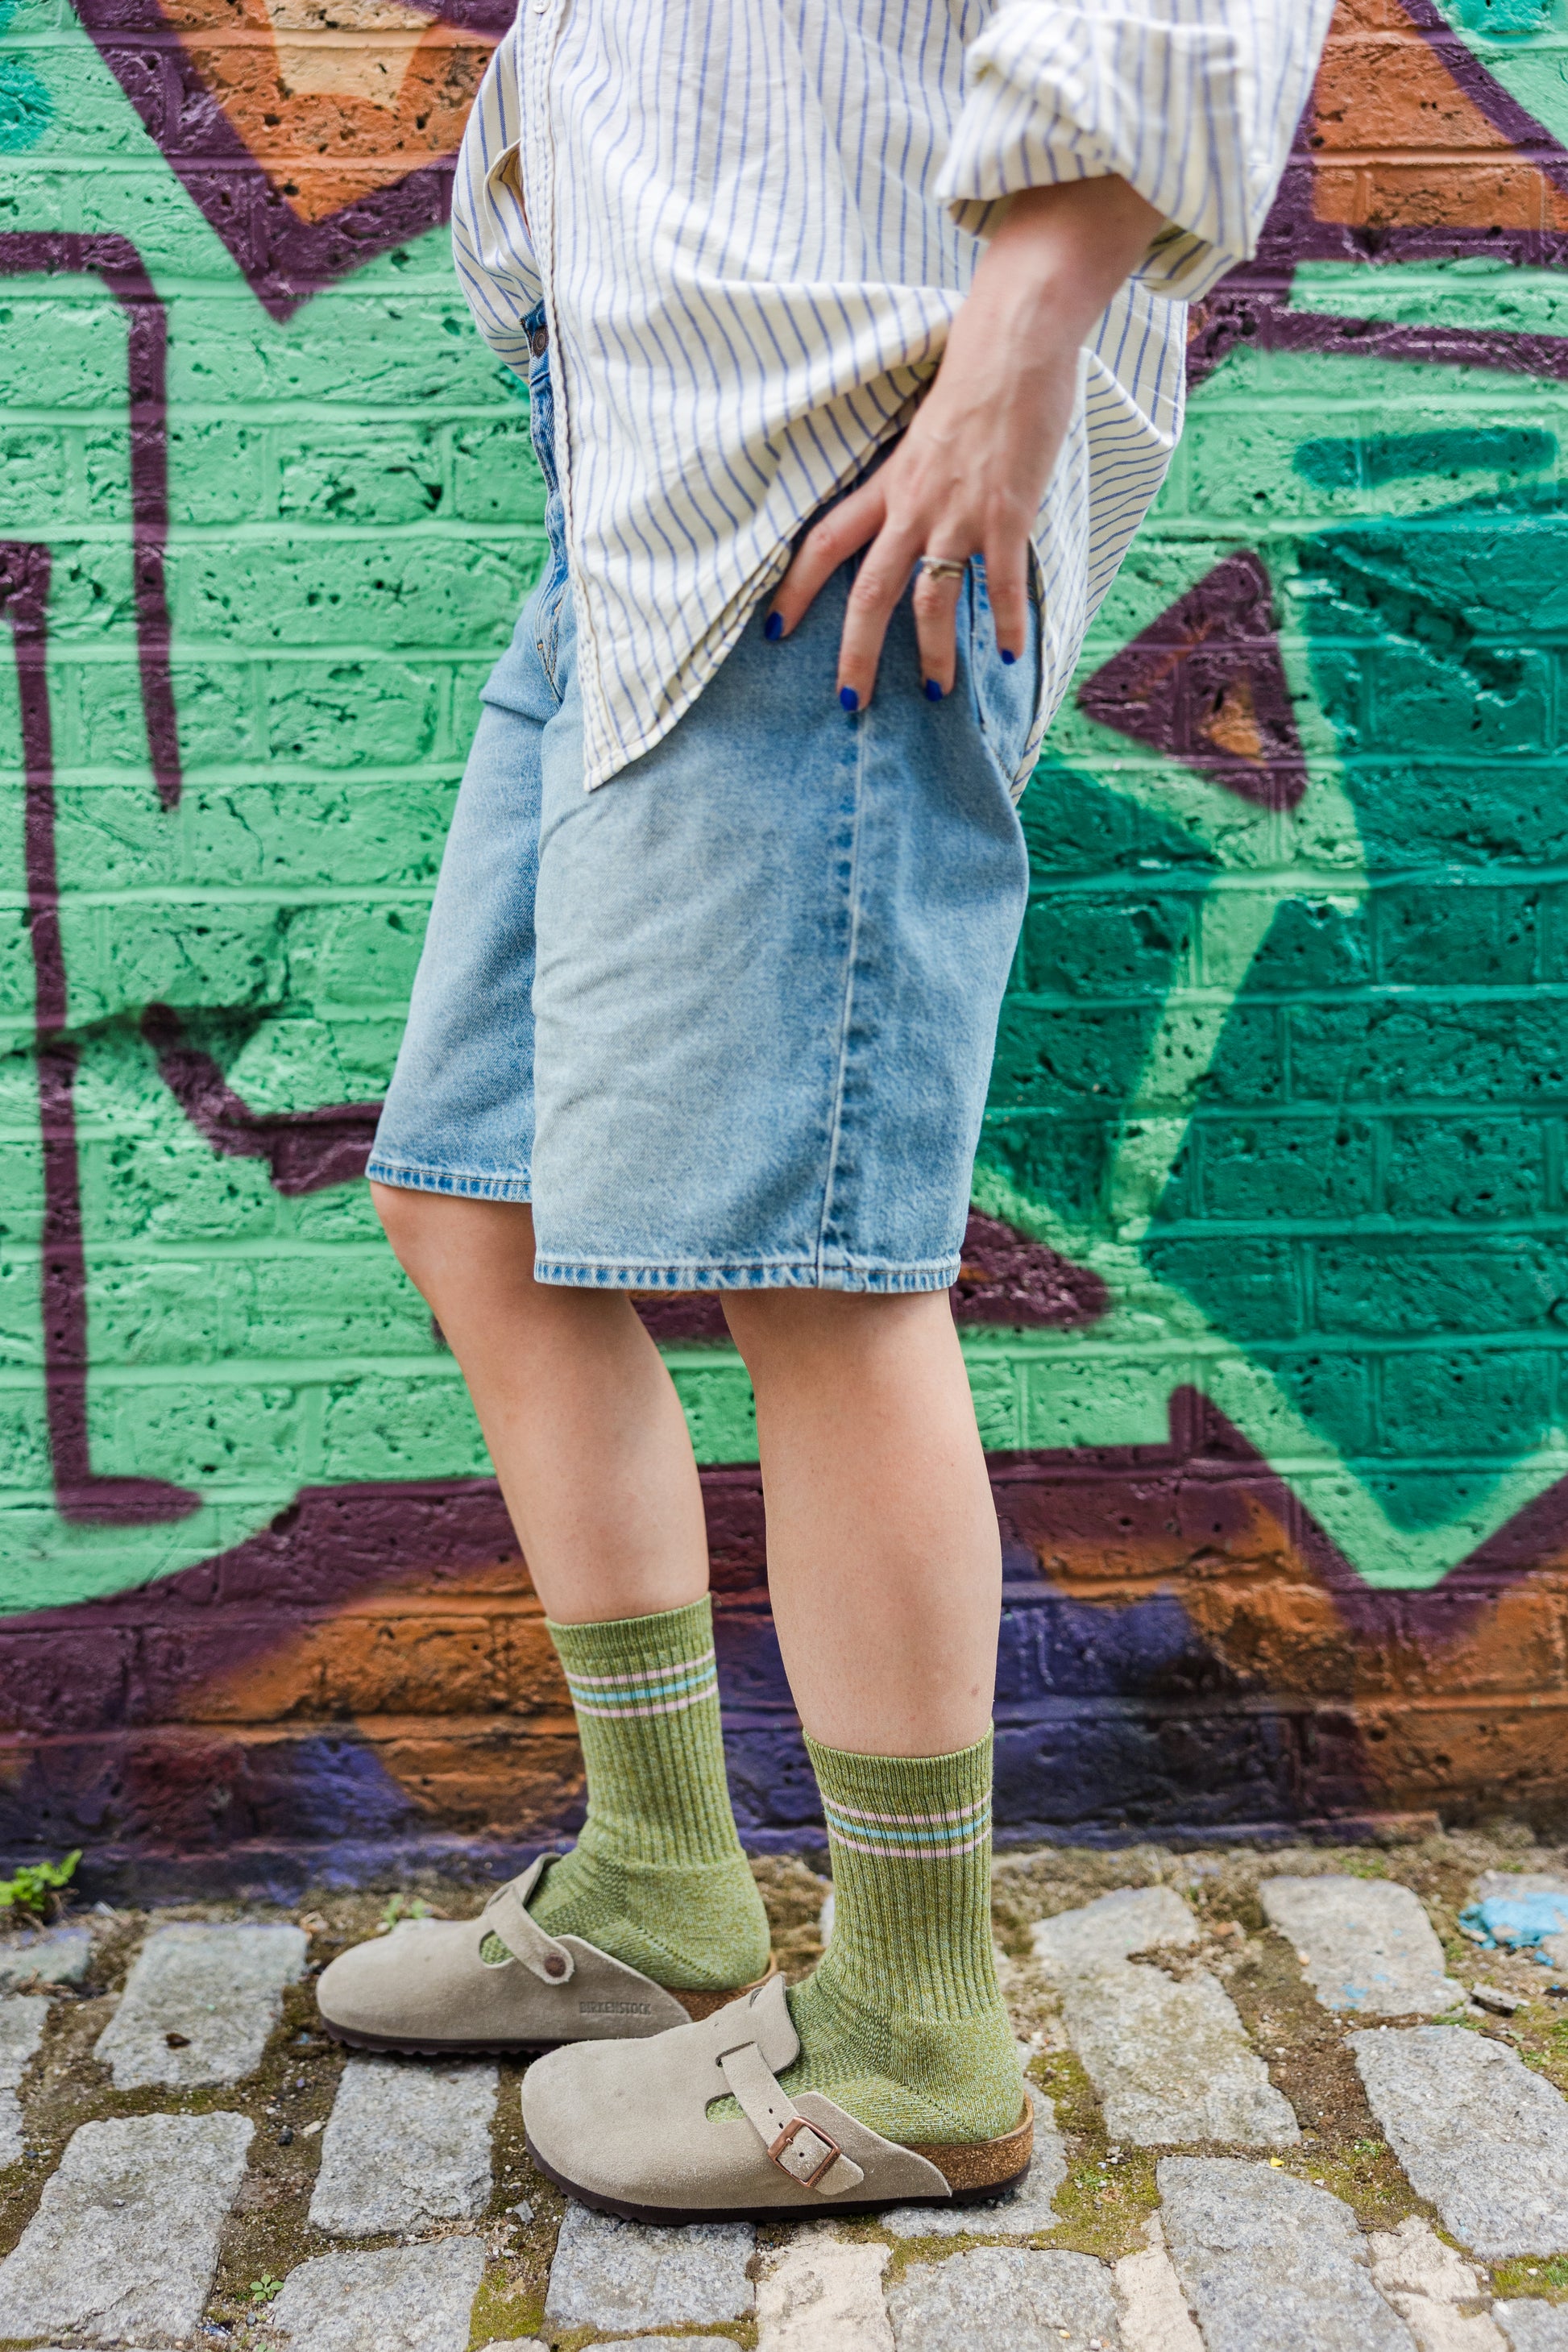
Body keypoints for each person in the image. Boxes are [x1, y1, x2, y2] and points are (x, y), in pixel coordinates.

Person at [316, 0, 1334, 2219]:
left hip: (842, 468)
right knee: (469, 1208)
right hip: (641, 485)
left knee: (817, 1268)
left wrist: (1015, 350)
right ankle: (661, 1884)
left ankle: (910, 2032)